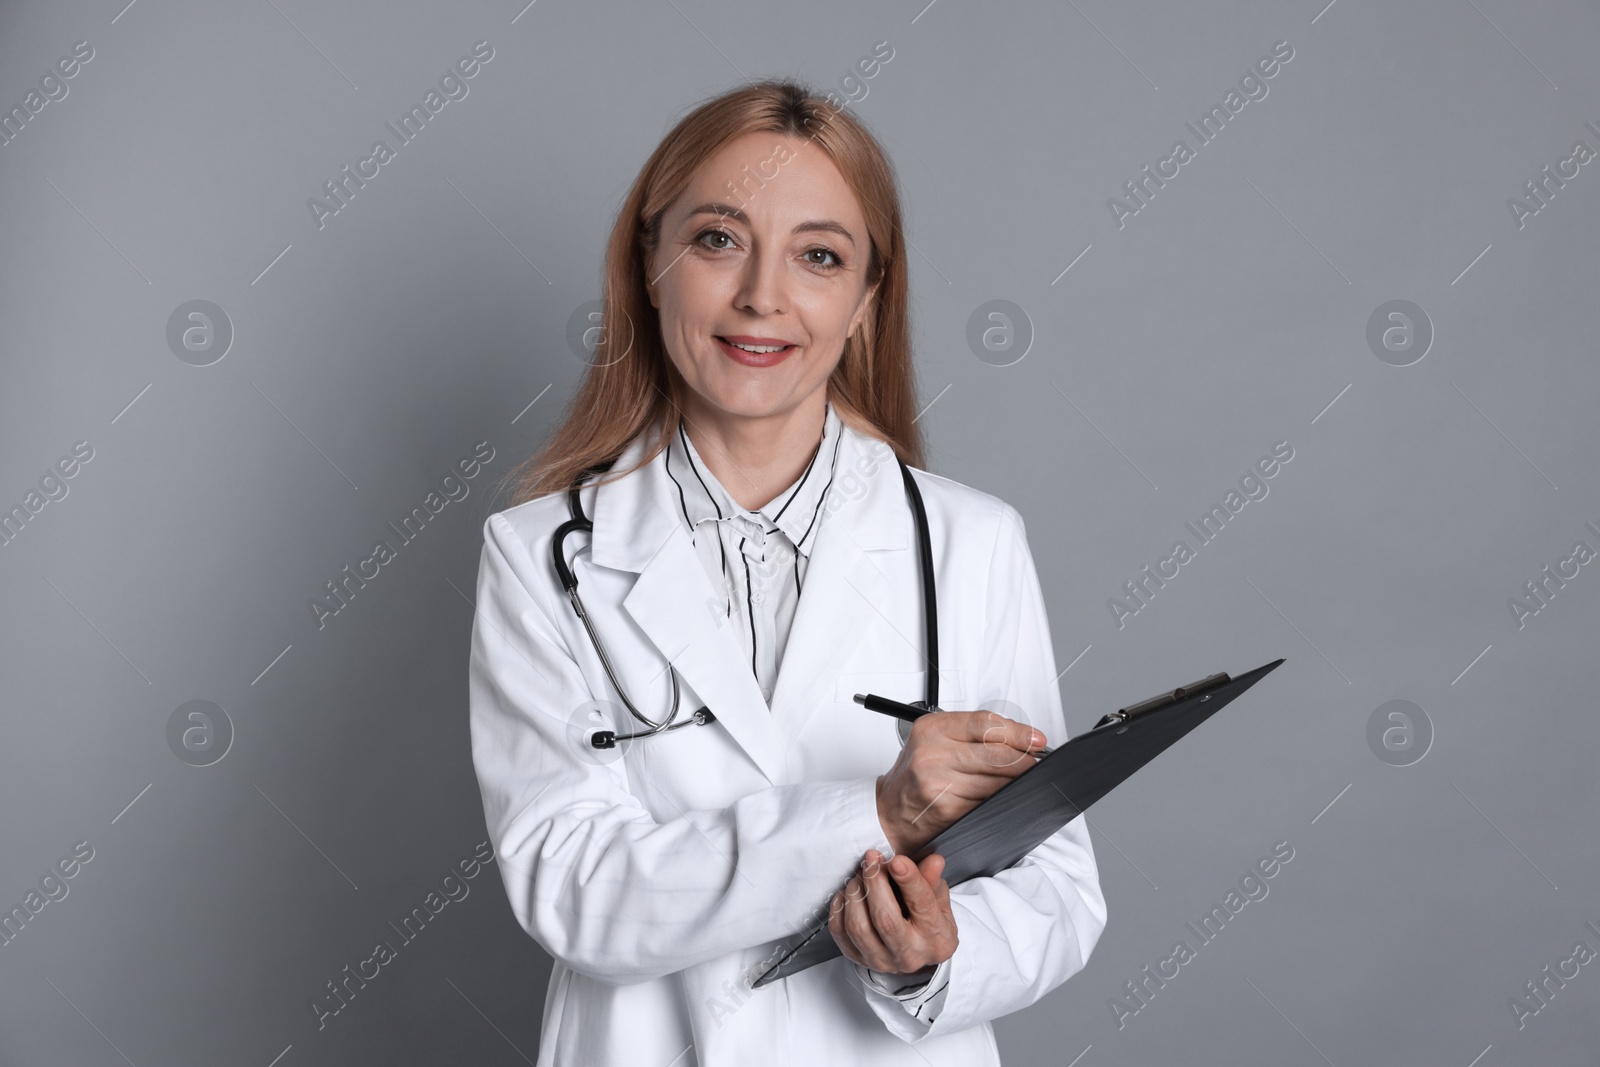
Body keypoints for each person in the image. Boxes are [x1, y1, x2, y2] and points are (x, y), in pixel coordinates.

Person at [468, 79, 1105, 1067]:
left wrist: (931, 961)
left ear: (864, 300)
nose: (763, 295)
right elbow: (574, 889)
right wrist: (879, 814)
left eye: (818, 255)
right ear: (650, 263)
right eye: (719, 239)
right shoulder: (542, 554)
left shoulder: (969, 543)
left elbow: (1057, 891)